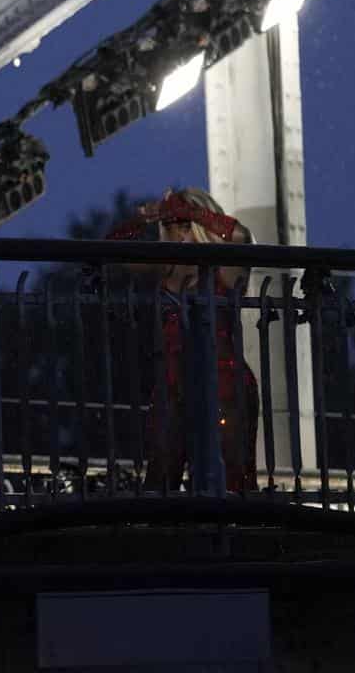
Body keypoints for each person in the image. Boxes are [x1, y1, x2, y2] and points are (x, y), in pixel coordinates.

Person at [106, 187, 258, 494]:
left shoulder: (224, 266)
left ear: (201, 227)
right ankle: (170, 539)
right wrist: (143, 218)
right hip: (172, 382)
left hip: (223, 380)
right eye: (171, 225)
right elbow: (112, 250)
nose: (177, 233)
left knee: (232, 478)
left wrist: (192, 211)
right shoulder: (166, 266)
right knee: (161, 476)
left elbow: (242, 237)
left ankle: (237, 538)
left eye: (185, 225)